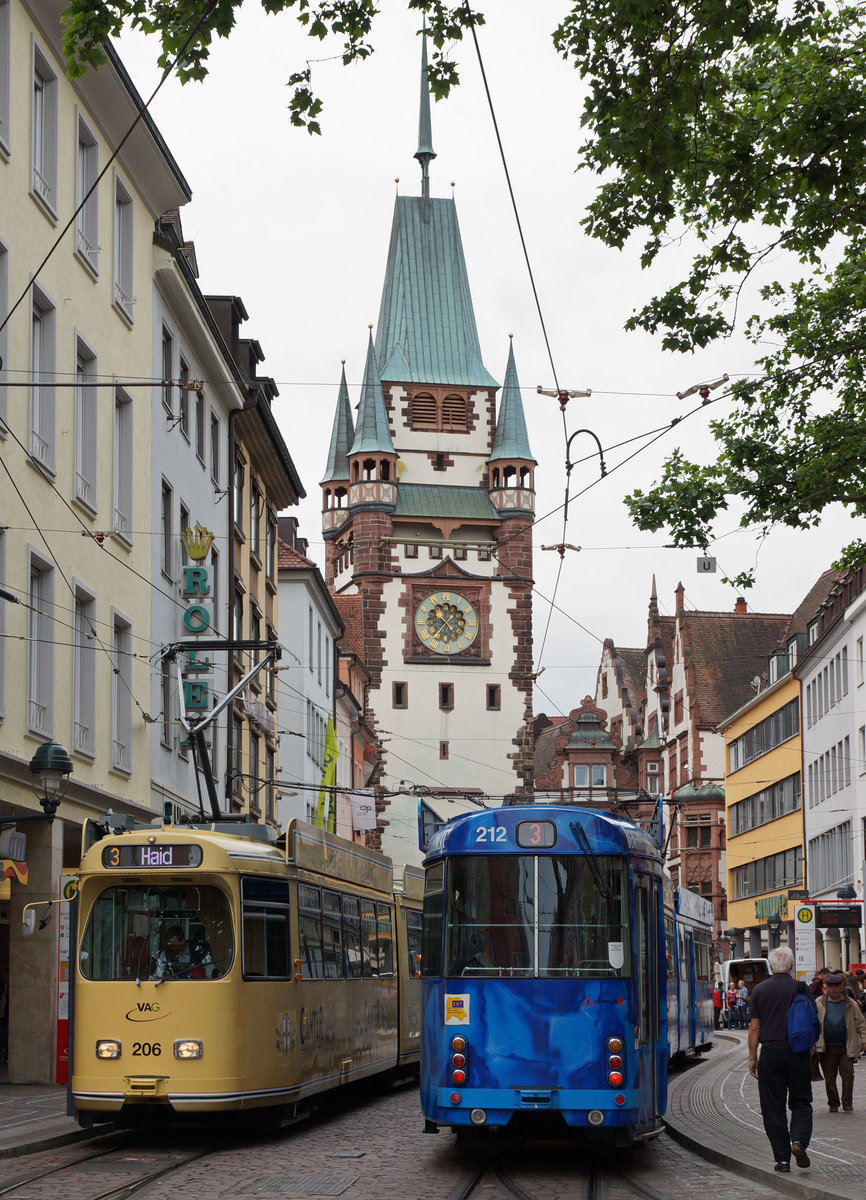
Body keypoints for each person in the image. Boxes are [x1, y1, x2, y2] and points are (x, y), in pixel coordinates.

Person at [748, 945, 815, 1173]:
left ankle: (783, 1159)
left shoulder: (759, 990)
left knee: (772, 1107)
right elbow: (812, 1021)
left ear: (771, 966)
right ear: (791, 966)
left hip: (770, 1051)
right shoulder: (801, 987)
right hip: (797, 1051)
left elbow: (754, 1027)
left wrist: (752, 1057)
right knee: (801, 1101)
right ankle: (798, 1141)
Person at [815, 973, 866, 1112]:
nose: (834, 989)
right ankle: (833, 1103)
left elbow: (861, 1024)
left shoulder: (851, 1003)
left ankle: (847, 1103)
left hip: (846, 1047)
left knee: (848, 1077)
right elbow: (812, 1023)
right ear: (826, 987)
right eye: (830, 986)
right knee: (830, 1079)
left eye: (836, 986)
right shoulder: (819, 1003)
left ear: (842, 986)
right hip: (827, 1048)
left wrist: (864, 1040)